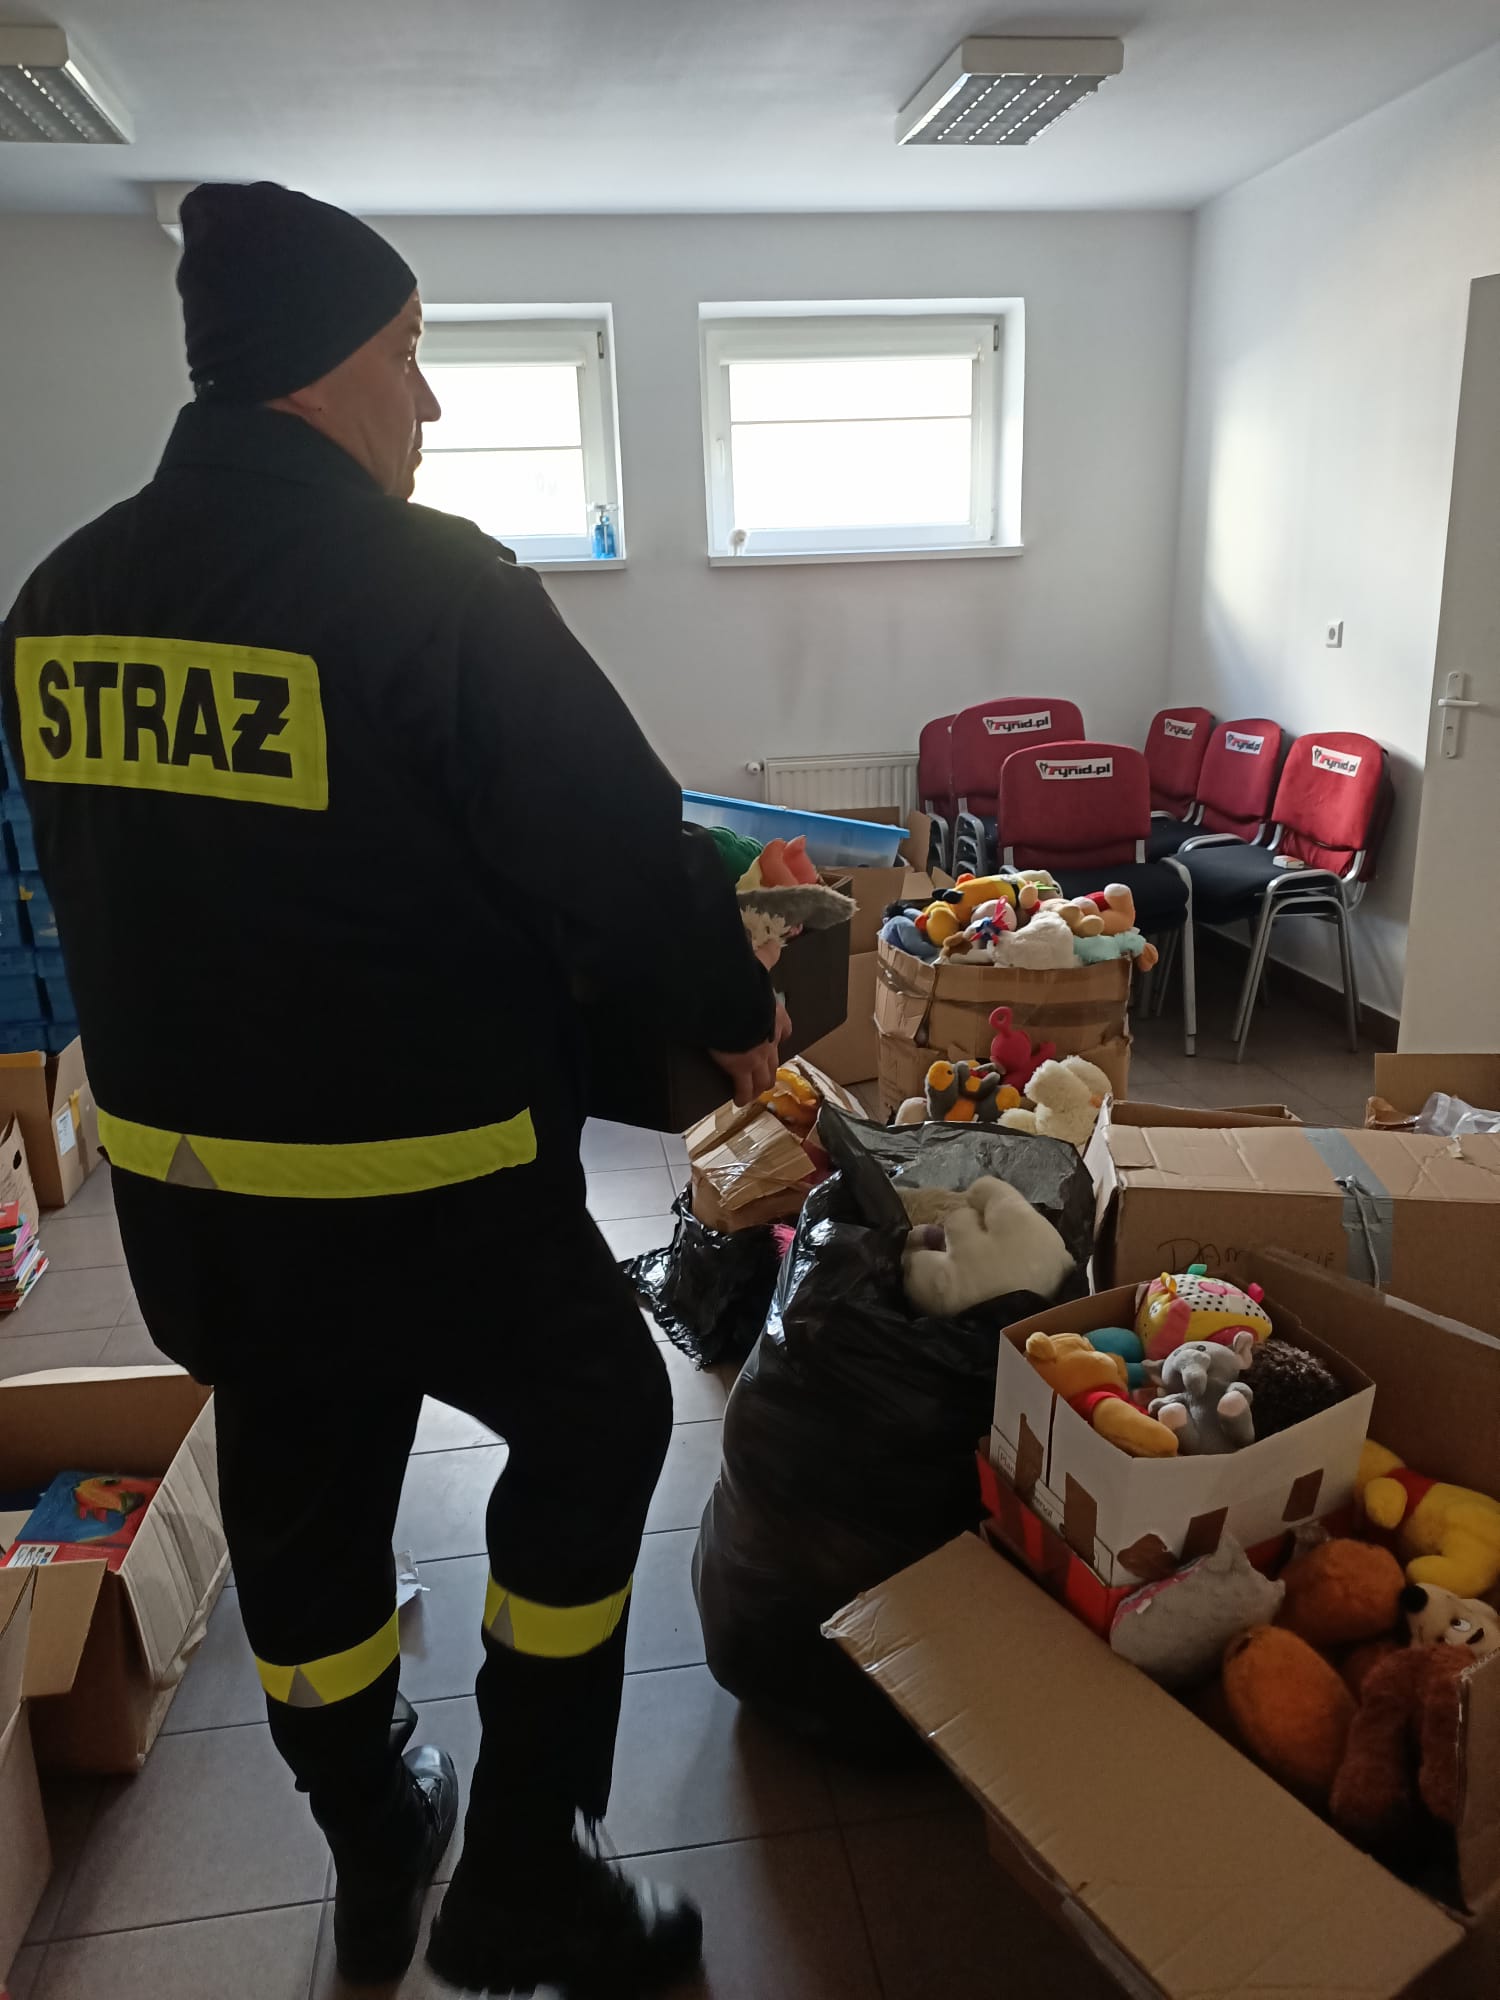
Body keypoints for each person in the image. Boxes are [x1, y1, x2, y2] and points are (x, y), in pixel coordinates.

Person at [0, 182, 786, 1995]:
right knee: (601, 1422)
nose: (426, 401)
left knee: (301, 1499)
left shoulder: (57, 602)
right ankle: (523, 1861)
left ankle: (374, 1828)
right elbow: (618, 846)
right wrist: (728, 1003)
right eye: (409, 351)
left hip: (198, 1212)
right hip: (430, 1195)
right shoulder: (432, 587)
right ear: (315, 362)